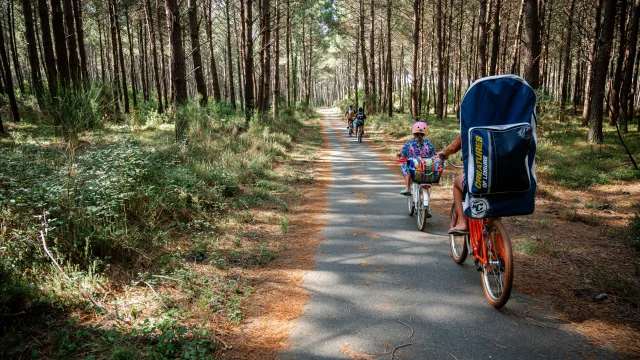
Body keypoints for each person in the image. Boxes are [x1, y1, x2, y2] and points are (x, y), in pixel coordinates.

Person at [438, 133, 466, 235]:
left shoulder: (472, 123)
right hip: (508, 180)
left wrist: (444, 154)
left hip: (479, 179)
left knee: (457, 183)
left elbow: (453, 147)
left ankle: (463, 222)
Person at [397, 122, 435, 196]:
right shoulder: (429, 143)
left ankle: (407, 187)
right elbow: (432, 155)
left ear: (413, 133)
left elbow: (404, 155)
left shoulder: (409, 143)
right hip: (426, 167)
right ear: (424, 133)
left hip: (414, 167)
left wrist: (401, 156)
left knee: (405, 164)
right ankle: (426, 189)